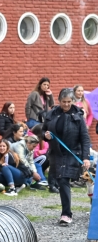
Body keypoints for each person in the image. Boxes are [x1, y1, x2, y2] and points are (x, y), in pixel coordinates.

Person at [42, 88, 90, 226]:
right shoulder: (51, 114)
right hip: (56, 153)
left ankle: (66, 214)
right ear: (59, 101)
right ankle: (66, 212)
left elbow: (85, 138)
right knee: (60, 181)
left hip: (72, 153)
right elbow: (44, 130)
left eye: (69, 102)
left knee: (63, 180)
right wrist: (45, 136)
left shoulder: (78, 116)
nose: (67, 105)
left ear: (73, 101)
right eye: (64, 102)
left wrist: (86, 157)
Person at [31, 124, 55, 192]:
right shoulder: (33, 138)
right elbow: (34, 152)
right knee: (44, 157)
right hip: (34, 159)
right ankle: (41, 179)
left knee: (48, 157)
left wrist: (41, 152)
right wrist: (40, 152)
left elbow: (47, 148)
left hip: (39, 157)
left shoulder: (44, 140)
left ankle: (43, 177)